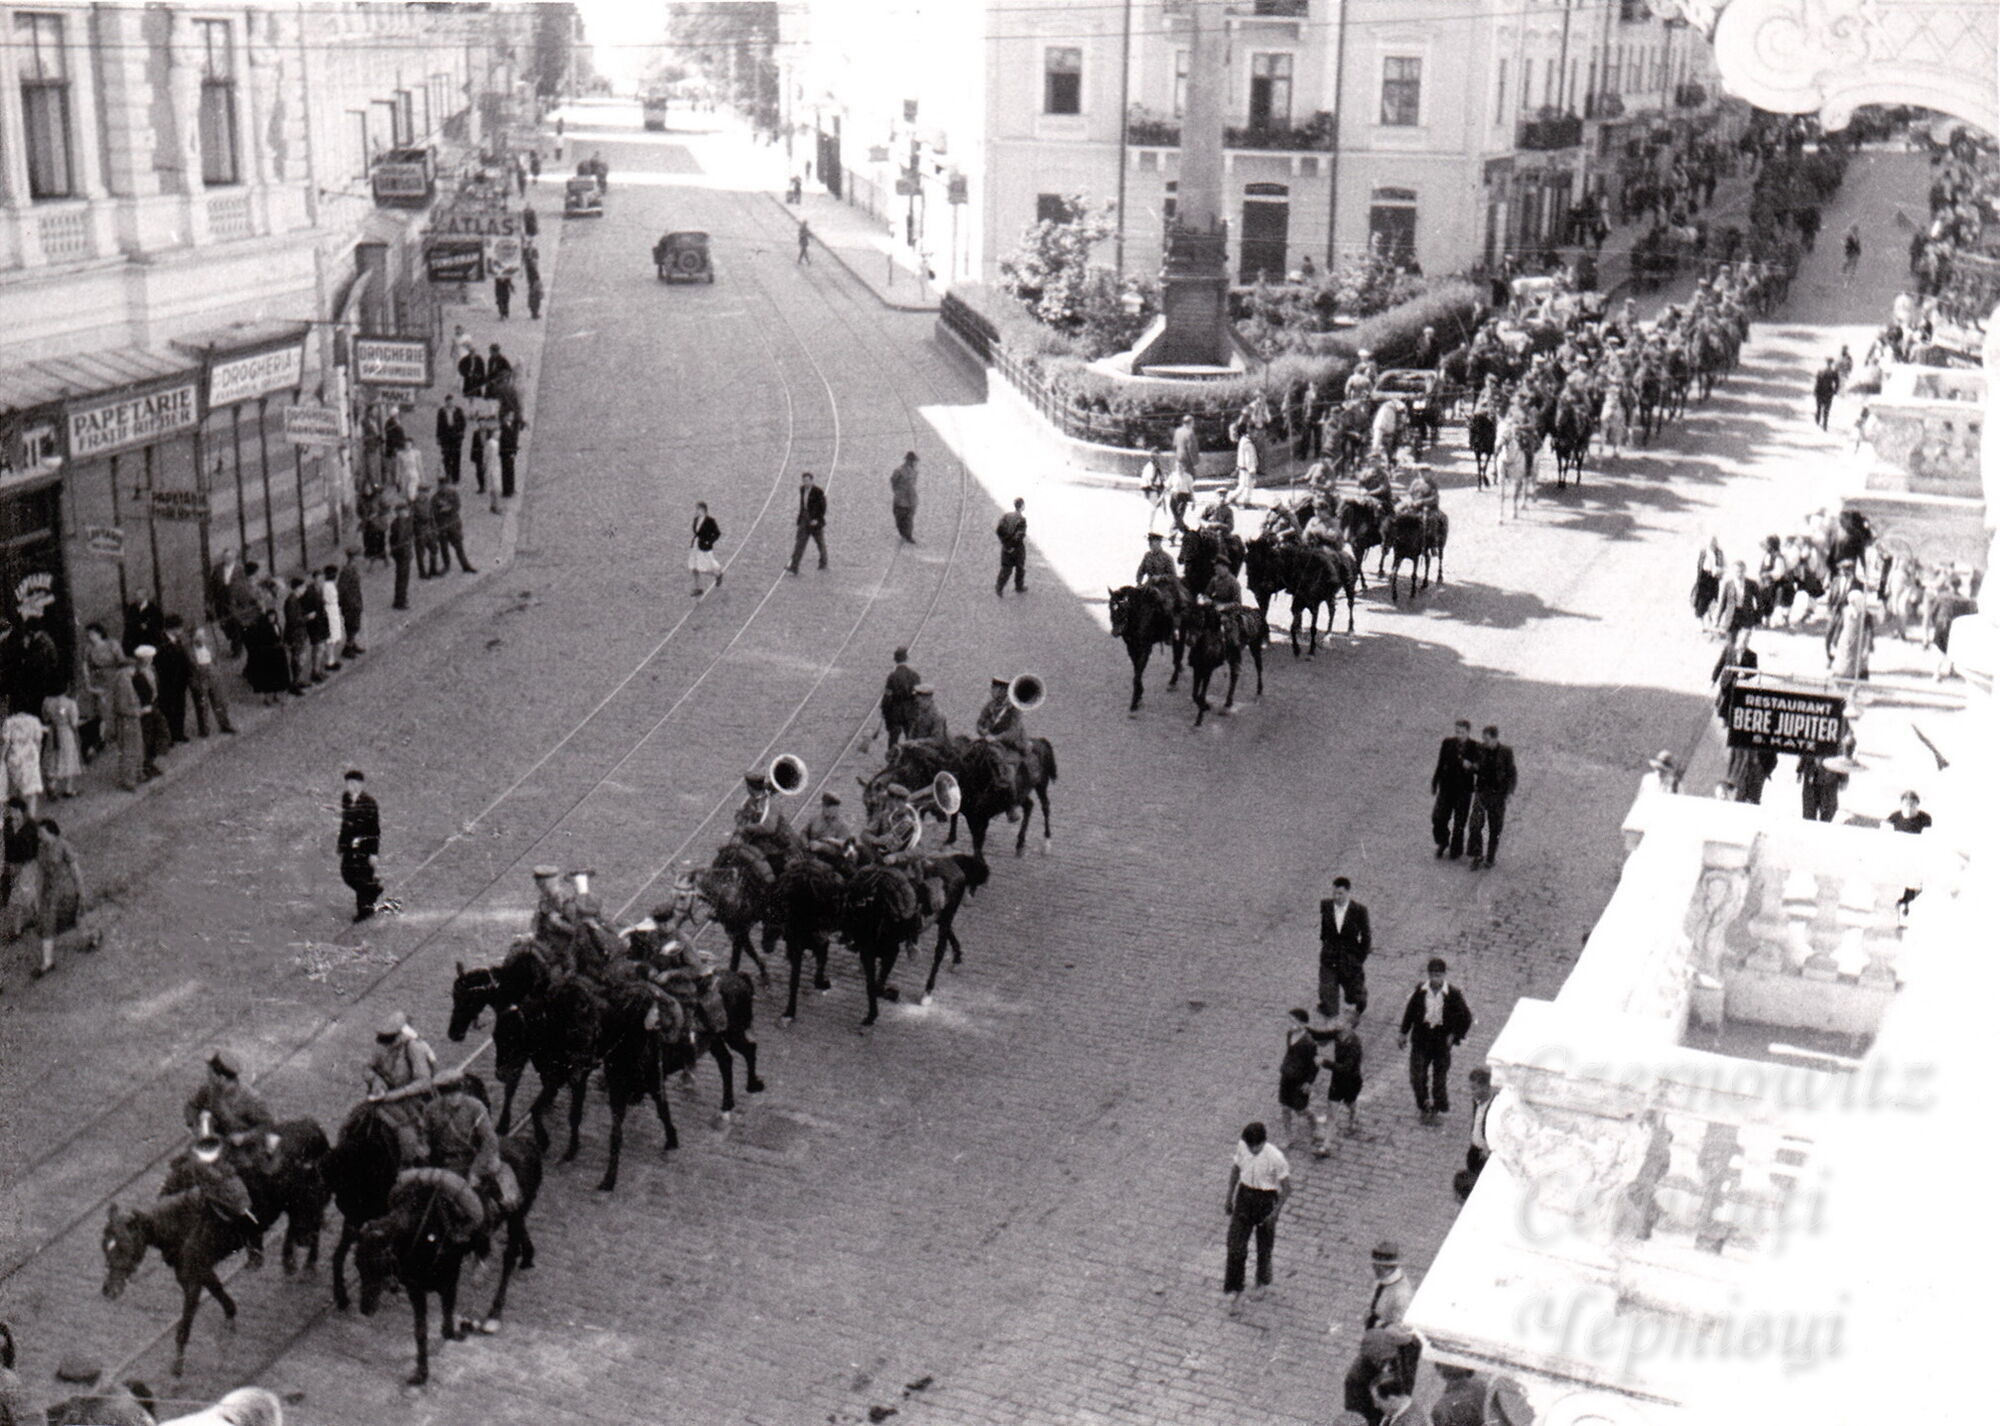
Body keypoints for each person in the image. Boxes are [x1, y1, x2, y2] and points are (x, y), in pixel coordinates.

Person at [422, 1074, 520, 1211]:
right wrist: (423, 1147)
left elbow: (490, 1141)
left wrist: (475, 1171)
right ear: (441, 1094)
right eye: (448, 1094)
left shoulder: (475, 1107)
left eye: (456, 1093)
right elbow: (426, 1133)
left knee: (478, 1201)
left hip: (472, 1159)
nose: (453, 1098)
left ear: (462, 1090)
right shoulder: (431, 1109)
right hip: (444, 1160)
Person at [1221, 1121, 1290, 1307]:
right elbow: (1236, 1169)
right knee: (1235, 1245)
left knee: (1264, 1246)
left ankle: (1262, 1281)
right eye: (1249, 1146)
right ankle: (1235, 1287)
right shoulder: (1243, 1146)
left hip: (1266, 1200)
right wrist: (1229, 1196)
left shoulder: (1276, 1157)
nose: (1252, 1150)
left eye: (1256, 1147)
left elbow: (1287, 1188)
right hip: (1244, 1196)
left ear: (1263, 1142)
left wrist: (1275, 1213)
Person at [1398, 957, 1474, 1124]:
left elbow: (1466, 1018)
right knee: (1417, 1076)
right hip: (1421, 1039)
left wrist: (1454, 1035)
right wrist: (1403, 1033)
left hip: (1441, 1042)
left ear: (1444, 975)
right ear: (1429, 975)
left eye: (1439, 975)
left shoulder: (1453, 995)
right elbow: (1410, 1012)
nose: (1435, 979)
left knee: (1439, 1079)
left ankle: (1438, 1107)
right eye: (1432, 975)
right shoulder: (1420, 992)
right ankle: (1424, 1104)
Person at [365, 1011, 437, 1165]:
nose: (385, 1044)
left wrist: (397, 1095)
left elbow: (424, 1082)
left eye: (390, 1039)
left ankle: (413, 1159)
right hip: (384, 1096)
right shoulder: (382, 1046)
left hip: (411, 1098)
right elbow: (368, 1068)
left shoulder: (414, 1048)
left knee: (407, 1129)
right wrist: (376, 1080)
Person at [974, 675, 1031, 814]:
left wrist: (996, 738)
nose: (993, 692)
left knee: (1008, 772)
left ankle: (1010, 807)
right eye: (993, 688)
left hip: (1011, 746)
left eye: (997, 689)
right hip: (991, 742)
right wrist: (983, 732)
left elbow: (1013, 732)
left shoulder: (1014, 708)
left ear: (1005, 691)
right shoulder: (990, 705)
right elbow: (979, 723)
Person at [1317, 874, 1372, 1018]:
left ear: (1348, 892)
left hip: (1350, 958)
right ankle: (1331, 1015)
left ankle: (1361, 999)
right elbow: (1324, 930)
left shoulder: (1359, 910)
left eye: (1340, 893)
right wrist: (1326, 947)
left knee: (1353, 994)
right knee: (1327, 988)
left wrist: (1359, 958)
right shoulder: (1326, 906)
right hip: (1330, 956)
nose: (1336, 897)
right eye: (1334, 893)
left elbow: (1366, 937)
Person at [1465, 725, 1517, 869]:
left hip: (1498, 795)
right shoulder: (1480, 749)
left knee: (1495, 828)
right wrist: (1470, 766)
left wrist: (1510, 792)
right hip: (1481, 792)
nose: (1484, 742)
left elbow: (1512, 773)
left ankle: (1490, 857)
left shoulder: (1506, 752)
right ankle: (1477, 855)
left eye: (1487, 739)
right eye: (1483, 739)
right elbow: (1476, 768)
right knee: (1475, 825)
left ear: (1495, 738)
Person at [1313, 1005, 1364, 1154]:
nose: (1336, 1022)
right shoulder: (1338, 1034)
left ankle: (1354, 1114)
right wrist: (1304, 1028)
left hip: (1351, 1081)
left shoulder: (1355, 1044)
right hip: (1337, 1081)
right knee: (1332, 1111)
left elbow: (1346, 1068)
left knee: (1350, 1102)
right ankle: (1326, 1146)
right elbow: (1321, 1036)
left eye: (1340, 1021)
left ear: (1349, 1026)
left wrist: (1324, 1062)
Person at [338, 769, 382, 923]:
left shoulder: (369, 803)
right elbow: (345, 822)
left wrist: (373, 853)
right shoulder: (346, 798)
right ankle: (372, 890)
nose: (352, 786)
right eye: (349, 783)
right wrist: (342, 843)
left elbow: (374, 829)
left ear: (361, 785)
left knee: (361, 875)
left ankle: (364, 911)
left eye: (355, 783)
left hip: (364, 846)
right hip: (349, 844)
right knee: (347, 874)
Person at [1430, 718, 1477, 860]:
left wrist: (1472, 766)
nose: (1459, 735)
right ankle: (1442, 842)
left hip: (1464, 790)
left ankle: (1456, 850)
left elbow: (1481, 768)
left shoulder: (1475, 747)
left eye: (1462, 732)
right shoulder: (1447, 743)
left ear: (1468, 732)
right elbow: (1440, 763)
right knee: (1438, 817)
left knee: (1460, 822)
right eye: (1457, 732)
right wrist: (1435, 782)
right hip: (1446, 787)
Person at [1277, 1008, 1320, 1148]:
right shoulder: (1290, 1034)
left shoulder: (1309, 1043)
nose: (1290, 1024)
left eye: (1293, 1021)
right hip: (1287, 1076)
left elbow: (1314, 1064)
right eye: (1289, 1021)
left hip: (1300, 1080)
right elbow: (1289, 1052)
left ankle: (1314, 1122)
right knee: (1284, 1107)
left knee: (1300, 1110)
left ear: (1303, 1024)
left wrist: (1309, 1082)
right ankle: (1288, 1137)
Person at [1455, 1066, 1496, 1201]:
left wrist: (1488, 1150)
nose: (1471, 1092)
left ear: (1485, 1086)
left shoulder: (1495, 1105)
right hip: (1475, 1148)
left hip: (1485, 1153)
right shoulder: (1476, 1101)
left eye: (1474, 1088)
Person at [1886, 789, 1931, 912]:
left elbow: (1929, 837)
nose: (1909, 808)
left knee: (1915, 874)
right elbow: (1885, 834)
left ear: (1917, 805)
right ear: (1902, 804)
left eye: (1912, 805)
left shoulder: (1925, 819)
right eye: (1906, 804)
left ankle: (1908, 901)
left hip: (1916, 855)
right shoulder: (1894, 817)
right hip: (1898, 853)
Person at [1363, 1240, 1415, 1330]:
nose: (1374, 1269)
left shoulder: (1402, 1294)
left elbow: (1400, 1328)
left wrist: (1376, 1323)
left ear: (1381, 1267)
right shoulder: (1380, 1281)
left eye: (1376, 1266)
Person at [40, 688, 82, 798]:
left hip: (52, 732)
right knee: (68, 757)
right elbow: (74, 722)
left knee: (53, 757)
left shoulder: (47, 701)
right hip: (65, 732)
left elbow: (45, 718)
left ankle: (52, 785)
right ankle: (68, 788)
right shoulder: (69, 703)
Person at [786, 471, 828, 574]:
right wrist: (800, 519)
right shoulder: (802, 489)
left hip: (815, 522)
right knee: (800, 543)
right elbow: (802, 505)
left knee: (820, 543)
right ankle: (794, 566)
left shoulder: (818, 491)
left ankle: (823, 563)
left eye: (807, 481)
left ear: (812, 481)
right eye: (804, 481)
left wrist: (817, 519)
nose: (805, 483)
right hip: (804, 520)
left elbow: (823, 507)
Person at [879, 648, 921, 748]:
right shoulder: (914, 676)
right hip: (910, 712)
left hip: (895, 713)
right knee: (911, 739)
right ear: (906, 659)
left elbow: (887, 697)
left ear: (895, 660)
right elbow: (919, 697)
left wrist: (884, 711)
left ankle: (892, 758)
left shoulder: (892, 677)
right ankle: (911, 759)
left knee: (893, 739)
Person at [432, 484, 476, 575]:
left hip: (453, 525)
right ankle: (446, 565)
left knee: (459, 546)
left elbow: (457, 506)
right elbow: (433, 512)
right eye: (441, 486)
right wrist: (441, 510)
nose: (443, 488)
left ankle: (465, 565)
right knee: (444, 547)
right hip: (442, 526)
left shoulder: (453, 494)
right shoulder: (435, 498)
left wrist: (448, 509)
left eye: (445, 486)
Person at [801, 791, 854, 859]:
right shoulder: (815, 819)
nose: (827, 811)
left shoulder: (842, 825)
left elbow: (845, 850)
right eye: (825, 807)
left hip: (829, 860)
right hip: (809, 854)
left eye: (832, 809)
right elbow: (804, 832)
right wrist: (806, 844)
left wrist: (822, 847)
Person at [995, 497, 1028, 596]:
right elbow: (1019, 536)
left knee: (1006, 568)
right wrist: (1013, 546)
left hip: (1005, 548)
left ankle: (999, 586)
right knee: (1020, 568)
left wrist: (1006, 544)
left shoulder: (1006, 516)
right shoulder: (1021, 520)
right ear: (1022, 506)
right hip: (1017, 549)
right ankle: (1019, 586)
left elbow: (999, 530)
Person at [688, 500, 723, 596]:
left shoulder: (710, 521)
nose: (696, 511)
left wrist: (709, 541)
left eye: (697, 509)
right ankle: (697, 587)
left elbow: (717, 533)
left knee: (705, 568)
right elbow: (696, 532)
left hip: (704, 547)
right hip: (696, 545)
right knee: (694, 567)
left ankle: (718, 574)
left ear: (703, 509)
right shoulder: (696, 520)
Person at [336, 548, 365, 659]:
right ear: (354, 558)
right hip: (350, 604)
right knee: (352, 626)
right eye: (359, 556)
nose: (361, 558)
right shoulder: (347, 571)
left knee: (355, 625)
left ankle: (352, 644)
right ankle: (347, 648)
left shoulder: (353, 568)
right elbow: (341, 589)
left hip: (355, 602)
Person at [387, 500, 414, 611]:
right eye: (404, 511)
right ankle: (400, 601)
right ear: (399, 512)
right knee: (402, 578)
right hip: (403, 554)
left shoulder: (398, 522)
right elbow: (400, 540)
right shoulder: (401, 523)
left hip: (401, 553)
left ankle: (401, 598)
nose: (406, 512)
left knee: (402, 577)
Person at [889, 451, 919, 544]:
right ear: (908, 461)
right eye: (913, 461)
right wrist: (897, 491)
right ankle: (904, 533)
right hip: (902, 499)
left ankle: (908, 535)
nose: (914, 463)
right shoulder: (899, 471)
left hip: (910, 499)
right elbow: (893, 481)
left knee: (908, 518)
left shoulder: (914, 472)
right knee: (900, 518)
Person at [436, 393, 466, 484]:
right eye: (448, 402)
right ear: (446, 402)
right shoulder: (442, 411)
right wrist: (438, 437)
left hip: (456, 438)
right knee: (446, 457)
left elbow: (463, 423)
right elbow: (439, 425)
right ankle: (447, 475)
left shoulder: (458, 410)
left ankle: (455, 478)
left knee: (456, 457)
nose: (450, 403)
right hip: (445, 438)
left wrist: (461, 433)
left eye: (451, 401)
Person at [1812, 358, 1839, 429]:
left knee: (1820, 408)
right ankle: (1824, 424)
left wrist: (1815, 391)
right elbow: (1837, 383)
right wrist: (1835, 391)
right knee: (1825, 409)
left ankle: (1820, 422)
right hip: (1827, 392)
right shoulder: (1833, 372)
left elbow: (1817, 382)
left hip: (1821, 391)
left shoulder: (1821, 371)